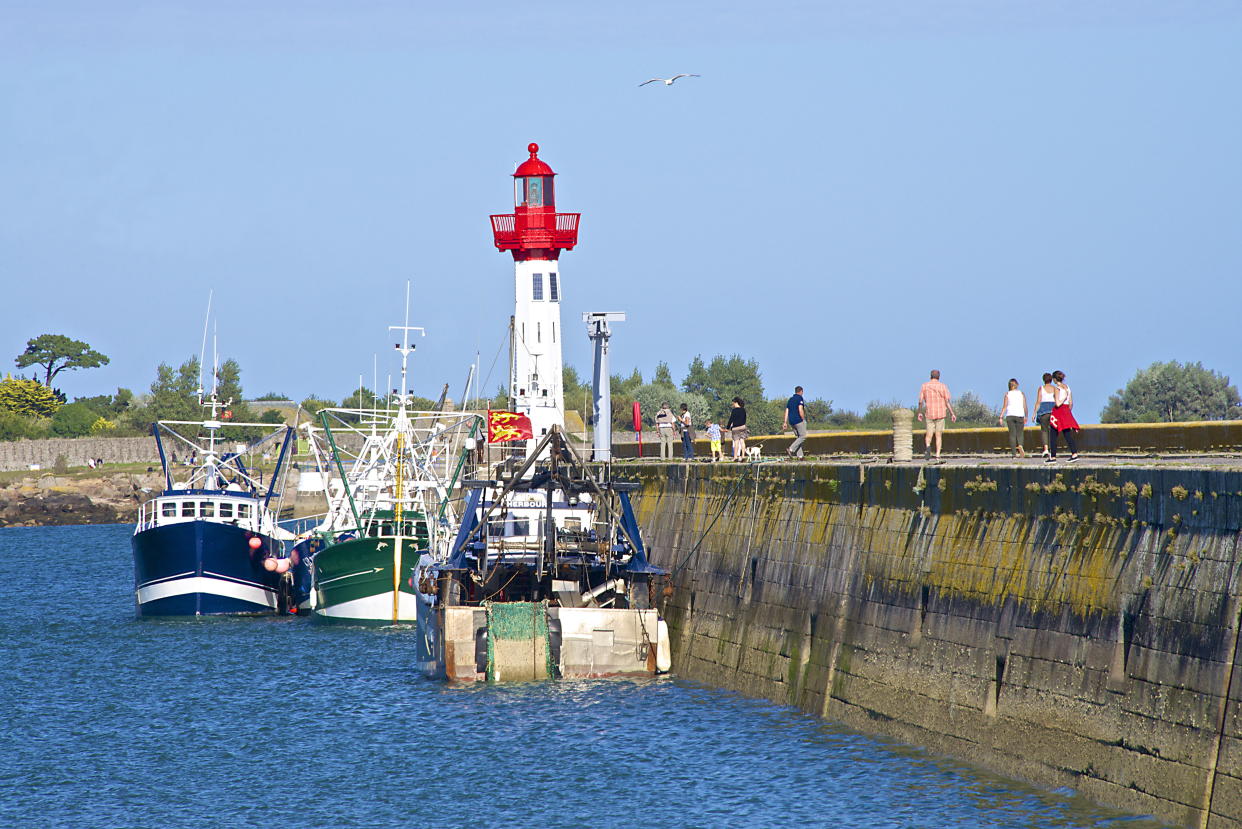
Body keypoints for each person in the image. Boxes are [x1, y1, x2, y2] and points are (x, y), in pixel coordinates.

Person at [917, 370, 956, 462]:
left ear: (930, 376)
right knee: (938, 435)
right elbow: (947, 401)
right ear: (939, 377)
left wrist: (919, 412)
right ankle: (938, 455)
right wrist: (952, 413)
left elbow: (920, 401)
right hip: (941, 413)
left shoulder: (924, 386)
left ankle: (928, 447)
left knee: (929, 434)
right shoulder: (943, 386)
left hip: (929, 413)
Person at [1048, 370, 1080, 462]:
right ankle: (1074, 453)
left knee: (1053, 434)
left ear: (1054, 379)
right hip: (1066, 410)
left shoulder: (1057, 388)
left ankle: (1053, 457)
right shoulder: (1067, 387)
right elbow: (1071, 403)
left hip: (1059, 412)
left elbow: (1058, 403)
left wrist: (1063, 397)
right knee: (1067, 433)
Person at [998, 379, 1028, 458]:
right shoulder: (1021, 393)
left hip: (1010, 415)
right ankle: (1020, 445)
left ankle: (1014, 454)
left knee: (1012, 434)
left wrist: (1001, 417)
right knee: (1020, 433)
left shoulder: (1007, 394)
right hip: (1020, 415)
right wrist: (1026, 416)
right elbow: (1025, 406)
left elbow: (1004, 407)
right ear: (1016, 385)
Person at [1034, 372, 1057, 458]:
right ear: (1051, 380)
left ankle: (1046, 449)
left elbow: (1038, 402)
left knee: (1044, 431)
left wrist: (1034, 413)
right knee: (1053, 431)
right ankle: (1053, 449)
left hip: (1043, 411)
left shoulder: (1041, 388)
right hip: (1053, 411)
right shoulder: (1055, 388)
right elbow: (1057, 400)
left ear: (1043, 380)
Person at [784, 386, 807, 459]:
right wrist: (803, 419)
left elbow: (787, 411)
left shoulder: (790, 399)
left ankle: (800, 456)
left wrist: (785, 422)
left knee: (798, 438)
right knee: (803, 436)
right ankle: (790, 449)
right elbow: (800, 409)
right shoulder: (800, 398)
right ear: (801, 391)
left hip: (791, 422)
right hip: (798, 420)